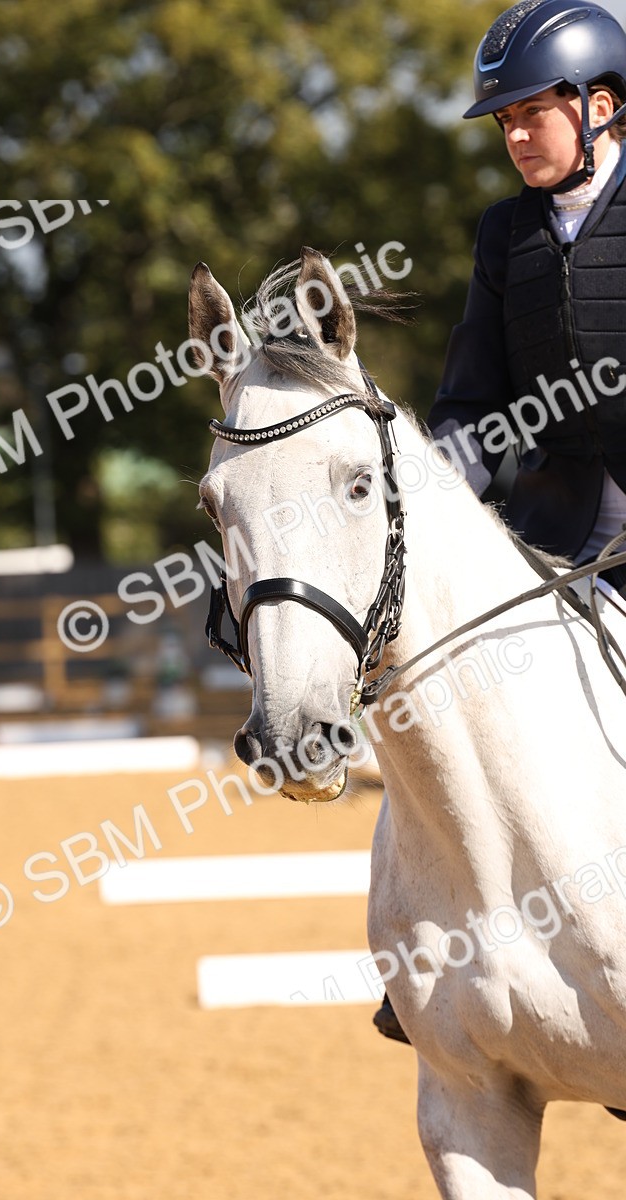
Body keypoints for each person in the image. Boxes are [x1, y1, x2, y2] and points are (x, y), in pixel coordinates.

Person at [373, 0, 626, 1049]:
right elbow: (472, 399)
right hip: (544, 531)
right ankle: (423, 952)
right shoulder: (501, 234)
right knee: (430, 702)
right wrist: (435, 491)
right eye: (503, 119)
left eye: (531, 111)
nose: (515, 133)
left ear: (599, 105)